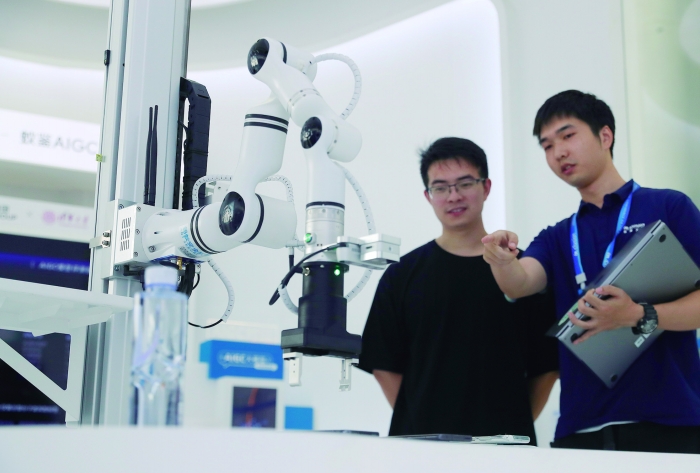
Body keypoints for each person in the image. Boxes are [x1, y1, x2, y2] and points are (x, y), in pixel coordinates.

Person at [482, 90, 700, 453]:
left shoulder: (668, 206)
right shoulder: (557, 236)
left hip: (669, 423)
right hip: (581, 431)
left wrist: (638, 314)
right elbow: (520, 283)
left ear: (605, 136)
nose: (558, 153)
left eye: (567, 136)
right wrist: (501, 260)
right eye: (547, 146)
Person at [358, 137, 559, 444]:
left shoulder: (523, 272)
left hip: (507, 449)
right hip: (421, 448)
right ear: (428, 196)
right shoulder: (402, 275)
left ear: (486, 187)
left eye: (465, 183)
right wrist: (419, 419)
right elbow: (383, 363)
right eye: (440, 187)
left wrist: (514, 422)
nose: (453, 196)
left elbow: (547, 364)